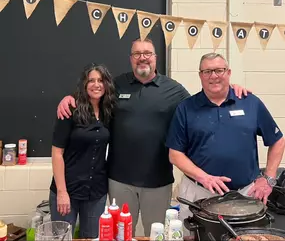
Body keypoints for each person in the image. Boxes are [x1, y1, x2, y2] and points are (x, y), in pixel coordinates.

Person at [57, 38, 248, 236]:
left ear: (155, 58)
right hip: (119, 181)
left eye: (147, 53)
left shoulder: (174, 89)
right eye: (137, 54)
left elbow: (203, 101)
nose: (142, 58)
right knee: (121, 235)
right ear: (131, 59)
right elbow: (92, 94)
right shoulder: (117, 86)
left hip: (158, 182)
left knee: (156, 235)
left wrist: (228, 88)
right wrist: (70, 98)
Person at [166, 52, 285, 226]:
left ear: (228, 73)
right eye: (207, 72)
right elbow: (175, 154)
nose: (213, 76)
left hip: (245, 195)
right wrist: (205, 178)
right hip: (199, 193)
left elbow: (278, 141)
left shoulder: (250, 102)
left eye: (219, 70)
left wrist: (268, 179)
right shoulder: (186, 108)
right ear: (200, 75)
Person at [50, 63, 116, 238]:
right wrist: (62, 192)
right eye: (91, 80)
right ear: (84, 85)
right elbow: (57, 153)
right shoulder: (70, 109)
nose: (96, 84)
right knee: (63, 237)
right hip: (68, 190)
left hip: (96, 192)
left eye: (100, 80)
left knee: (92, 237)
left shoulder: (108, 111)